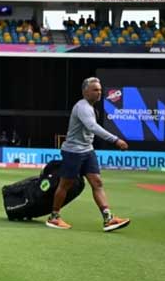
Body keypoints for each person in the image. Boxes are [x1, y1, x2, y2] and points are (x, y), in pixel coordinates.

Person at [46, 77, 130, 232]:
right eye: (95, 90)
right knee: (65, 184)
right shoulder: (82, 107)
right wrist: (116, 140)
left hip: (87, 150)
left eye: (99, 90)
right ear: (85, 91)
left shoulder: (91, 107)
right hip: (73, 151)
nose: (99, 93)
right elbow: (92, 127)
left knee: (97, 182)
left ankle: (108, 219)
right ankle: (54, 217)